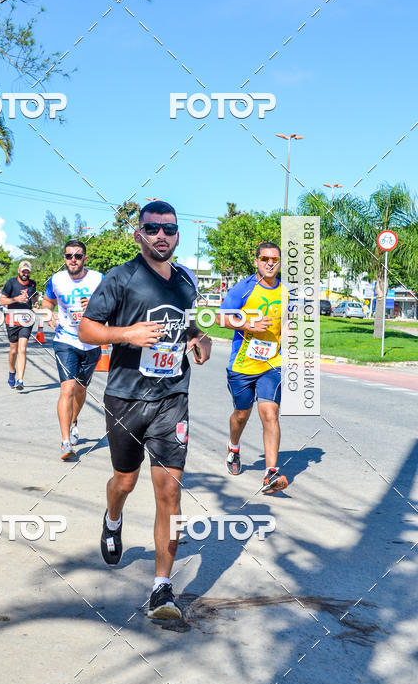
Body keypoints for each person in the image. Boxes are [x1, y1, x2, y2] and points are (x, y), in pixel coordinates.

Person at [79, 201, 212, 621]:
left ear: (177, 235)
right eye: (152, 228)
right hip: (125, 398)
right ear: (139, 233)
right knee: (124, 480)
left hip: (172, 398)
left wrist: (200, 340)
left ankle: (161, 588)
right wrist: (127, 334)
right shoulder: (121, 278)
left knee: (170, 491)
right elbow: (86, 329)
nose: (161, 235)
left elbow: (189, 325)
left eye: (169, 229)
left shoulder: (186, 282)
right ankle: (113, 517)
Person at [219, 241, 288, 494]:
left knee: (270, 413)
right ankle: (234, 446)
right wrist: (248, 325)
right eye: (265, 259)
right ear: (256, 261)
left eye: (275, 259)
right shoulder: (243, 289)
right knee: (241, 414)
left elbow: (288, 323)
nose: (270, 263)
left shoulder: (286, 291)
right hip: (242, 364)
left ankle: (271, 473)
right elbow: (221, 317)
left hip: (273, 363)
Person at [42, 240, 103, 460]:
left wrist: (95, 305)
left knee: (80, 389)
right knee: (66, 389)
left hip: (91, 341)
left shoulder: (98, 278)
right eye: (69, 256)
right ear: (64, 259)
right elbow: (47, 303)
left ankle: (74, 420)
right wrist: (49, 315)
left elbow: (112, 303)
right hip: (65, 339)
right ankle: (65, 442)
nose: (73, 260)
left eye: (78, 256)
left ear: (85, 258)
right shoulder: (56, 280)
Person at [0, 261, 38, 391]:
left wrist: (35, 302)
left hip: (26, 320)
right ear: (19, 271)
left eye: (27, 271)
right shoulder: (11, 283)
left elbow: (34, 297)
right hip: (11, 319)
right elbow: (2, 300)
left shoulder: (33, 284)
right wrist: (16, 299)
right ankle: (12, 371)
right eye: (23, 271)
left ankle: (20, 380)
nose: (25, 274)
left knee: (22, 349)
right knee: (13, 351)